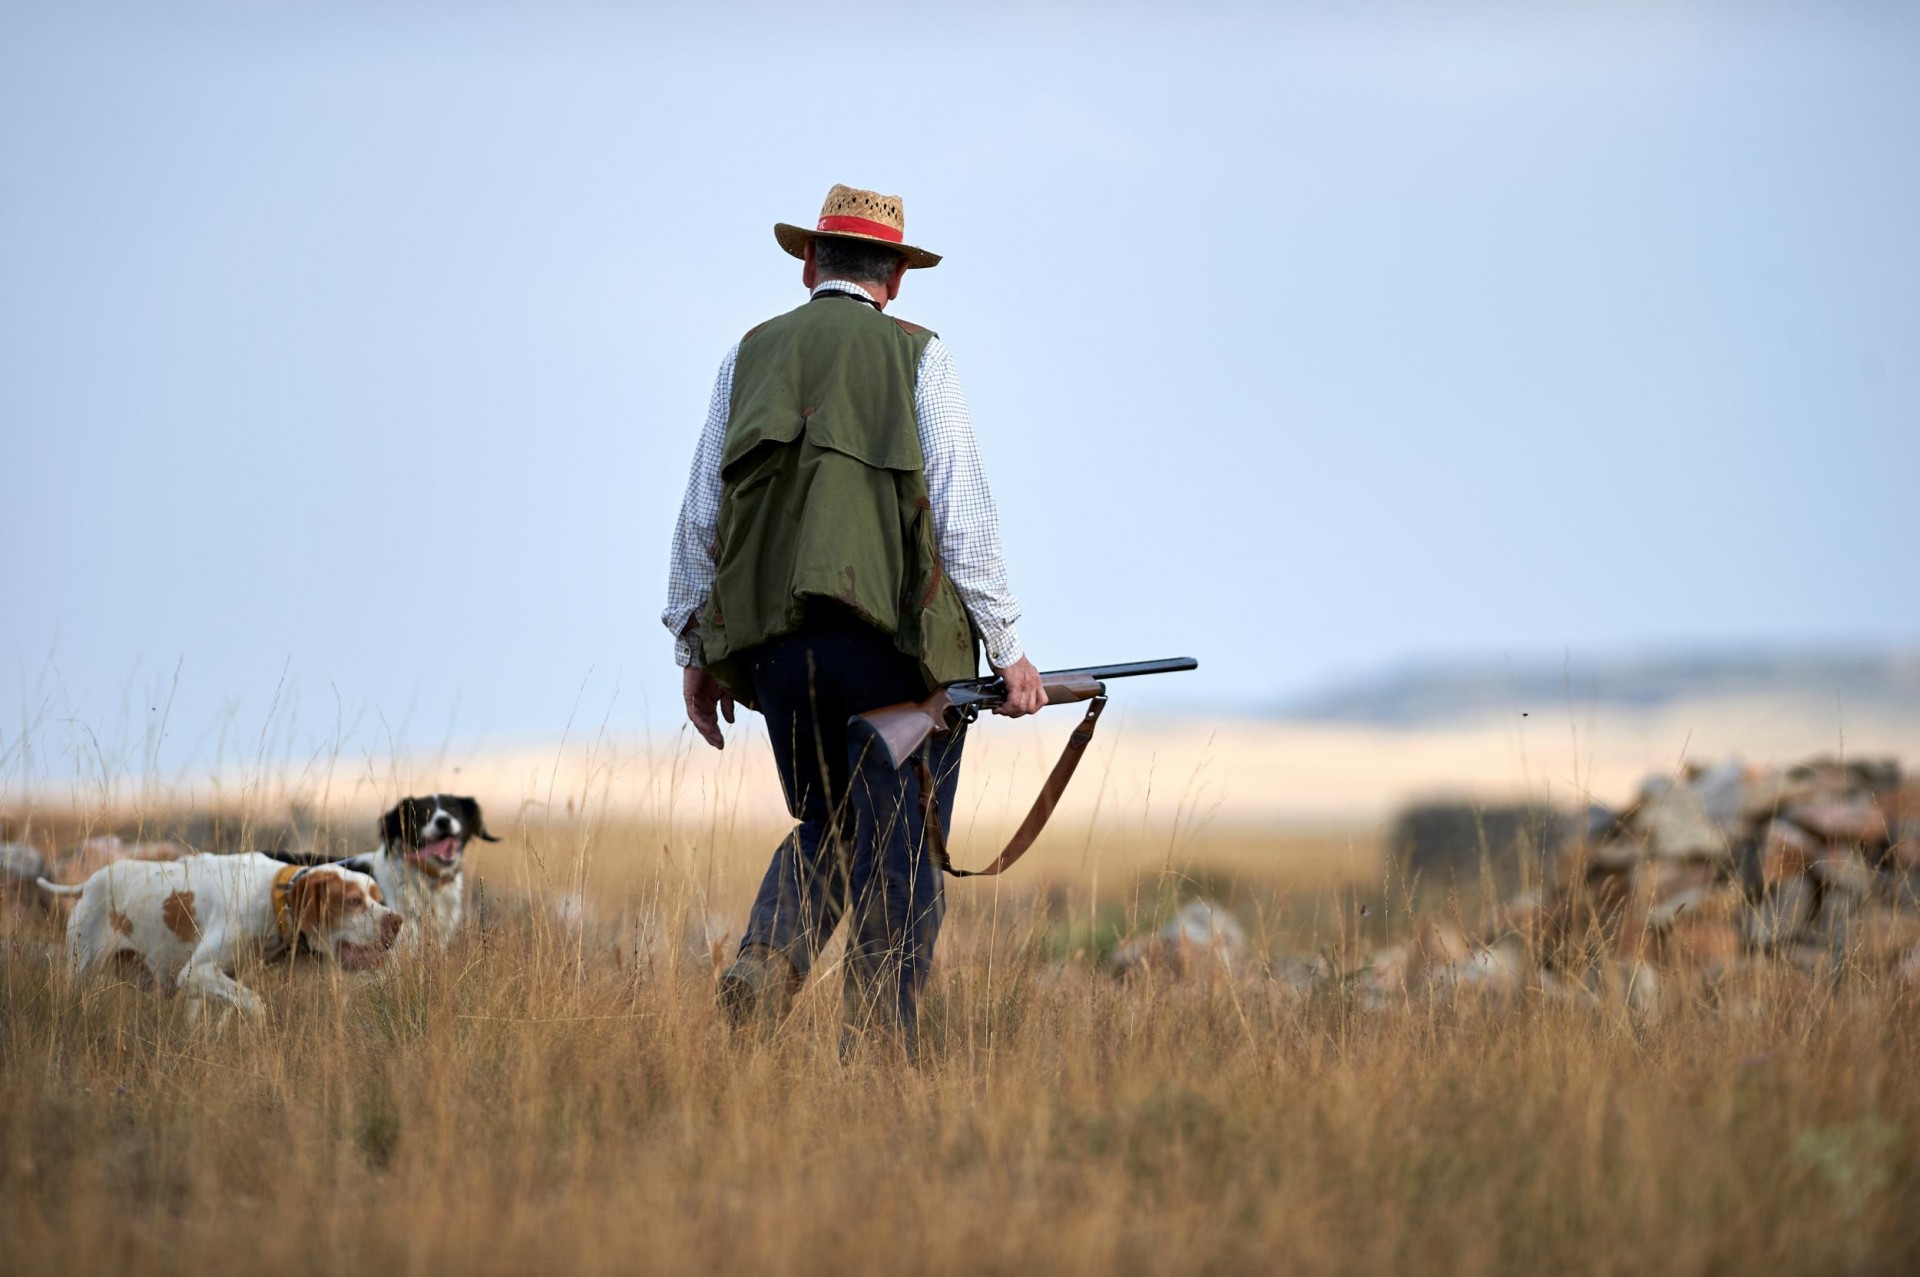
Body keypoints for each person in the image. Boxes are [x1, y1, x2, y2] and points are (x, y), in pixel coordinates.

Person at [662, 184, 1041, 1058]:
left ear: (808, 264)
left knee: (828, 826)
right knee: (902, 858)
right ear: (897, 279)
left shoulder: (748, 354)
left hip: (775, 658)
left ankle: (767, 958)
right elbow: (961, 511)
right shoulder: (920, 356)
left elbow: (699, 516)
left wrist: (697, 648)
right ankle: (875, 1059)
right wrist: (1013, 651)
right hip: (893, 659)